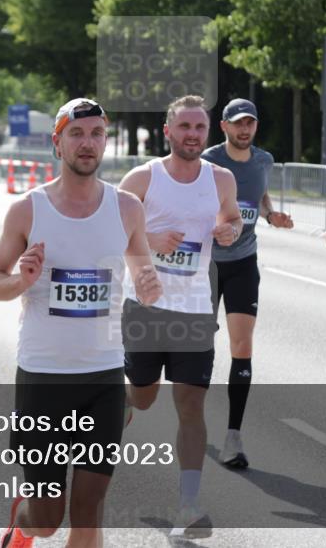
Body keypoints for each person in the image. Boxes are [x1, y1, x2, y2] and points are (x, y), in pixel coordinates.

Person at [0, 98, 162, 548]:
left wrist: (149, 286)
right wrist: (19, 280)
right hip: (44, 377)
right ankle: (22, 525)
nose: (88, 143)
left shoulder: (126, 209)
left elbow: (142, 272)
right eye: (77, 134)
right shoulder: (28, 209)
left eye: (97, 134)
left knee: (87, 514)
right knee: (47, 520)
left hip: (103, 376)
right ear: (57, 142)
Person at [117, 95, 242, 539]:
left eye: (199, 128)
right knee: (143, 398)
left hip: (193, 311)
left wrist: (230, 230)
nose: (192, 135)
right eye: (184, 127)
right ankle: (117, 411)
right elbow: (108, 226)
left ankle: (188, 504)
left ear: (208, 134)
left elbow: (231, 221)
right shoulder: (143, 178)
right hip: (146, 309)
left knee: (190, 404)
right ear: (168, 131)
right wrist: (148, 237)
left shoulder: (221, 178)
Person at [202, 98, 294, 470]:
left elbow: (260, 192)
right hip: (205, 264)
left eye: (250, 124)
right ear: (223, 126)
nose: (244, 130)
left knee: (242, 345)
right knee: (198, 345)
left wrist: (271, 214)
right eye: (238, 123)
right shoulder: (207, 160)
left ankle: (233, 437)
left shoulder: (264, 159)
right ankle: (191, 420)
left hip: (243, 262)